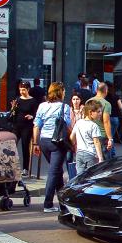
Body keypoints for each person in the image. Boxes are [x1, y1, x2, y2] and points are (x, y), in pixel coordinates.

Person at [33, 82, 72, 213]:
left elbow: (37, 125)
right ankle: (48, 203)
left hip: (44, 140)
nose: (65, 93)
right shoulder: (64, 107)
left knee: (57, 172)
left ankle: (63, 204)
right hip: (57, 141)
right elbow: (67, 125)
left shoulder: (42, 106)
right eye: (64, 91)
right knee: (53, 172)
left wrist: (35, 143)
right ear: (60, 92)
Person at [9, 80, 38, 177]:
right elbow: (13, 113)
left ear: (28, 89)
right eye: (21, 90)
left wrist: (31, 116)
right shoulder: (17, 99)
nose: (22, 92)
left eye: (24, 90)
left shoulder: (33, 101)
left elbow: (36, 114)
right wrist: (12, 108)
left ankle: (25, 168)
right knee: (12, 146)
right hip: (17, 126)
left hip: (27, 126)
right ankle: (11, 166)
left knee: (25, 147)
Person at [70, 100, 104, 174]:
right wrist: (100, 158)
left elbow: (72, 137)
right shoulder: (94, 126)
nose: (100, 114)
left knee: (80, 176)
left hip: (79, 153)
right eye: (98, 112)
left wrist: (73, 147)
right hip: (91, 154)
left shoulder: (78, 122)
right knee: (91, 176)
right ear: (90, 112)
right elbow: (96, 142)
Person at [86, 82, 113, 159]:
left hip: (89, 134)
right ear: (106, 91)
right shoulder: (106, 104)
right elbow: (106, 122)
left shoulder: (88, 102)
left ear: (96, 90)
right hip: (101, 135)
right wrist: (110, 138)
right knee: (104, 162)